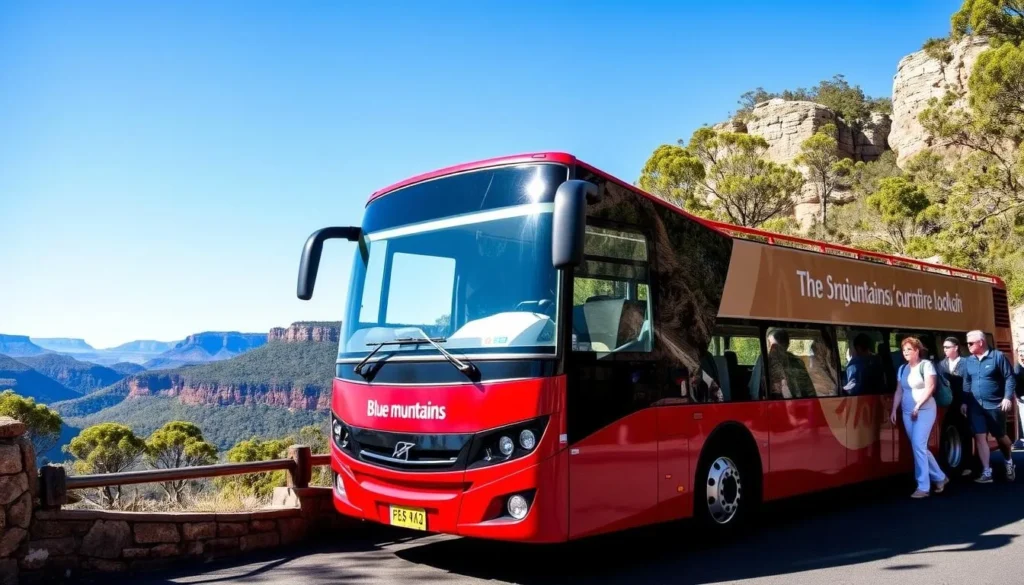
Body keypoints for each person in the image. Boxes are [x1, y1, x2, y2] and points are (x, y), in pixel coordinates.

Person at [891, 336, 948, 498]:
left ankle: (923, 486)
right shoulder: (902, 369)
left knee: (918, 444)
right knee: (919, 447)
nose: (906, 353)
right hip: (907, 412)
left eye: (909, 349)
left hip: (925, 411)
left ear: (917, 350)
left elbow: (930, 388)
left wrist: (917, 406)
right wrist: (894, 409)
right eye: (904, 350)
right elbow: (899, 391)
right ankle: (941, 477)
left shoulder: (926, 366)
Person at [961, 330, 1016, 483]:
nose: (968, 346)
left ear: (981, 342)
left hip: (995, 405)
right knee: (980, 436)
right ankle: (987, 472)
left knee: (1001, 438)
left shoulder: (997, 356)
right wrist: (965, 402)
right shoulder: (968, 361)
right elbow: (966, 382)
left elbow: (1009, 378)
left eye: (971, 343)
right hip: (975, 406)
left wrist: (1006, 398)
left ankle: (1009, 461)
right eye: (967, 343)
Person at [937, 336, 974, 475]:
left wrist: (965, 401)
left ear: (956, 347)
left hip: (962, 400)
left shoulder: (966, 363)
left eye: (947, 347)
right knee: (952, 429)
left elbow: (968, 383)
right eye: (944, 347)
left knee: (965, 430)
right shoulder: (942, 364)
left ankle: (968, 464)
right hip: (948, 402)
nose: (944, 350)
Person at [1013, 342, 1024, 450]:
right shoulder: (1016, 368)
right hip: (1022, 399)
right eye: (1020, 351)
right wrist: (1017, 397)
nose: (1022, 354)